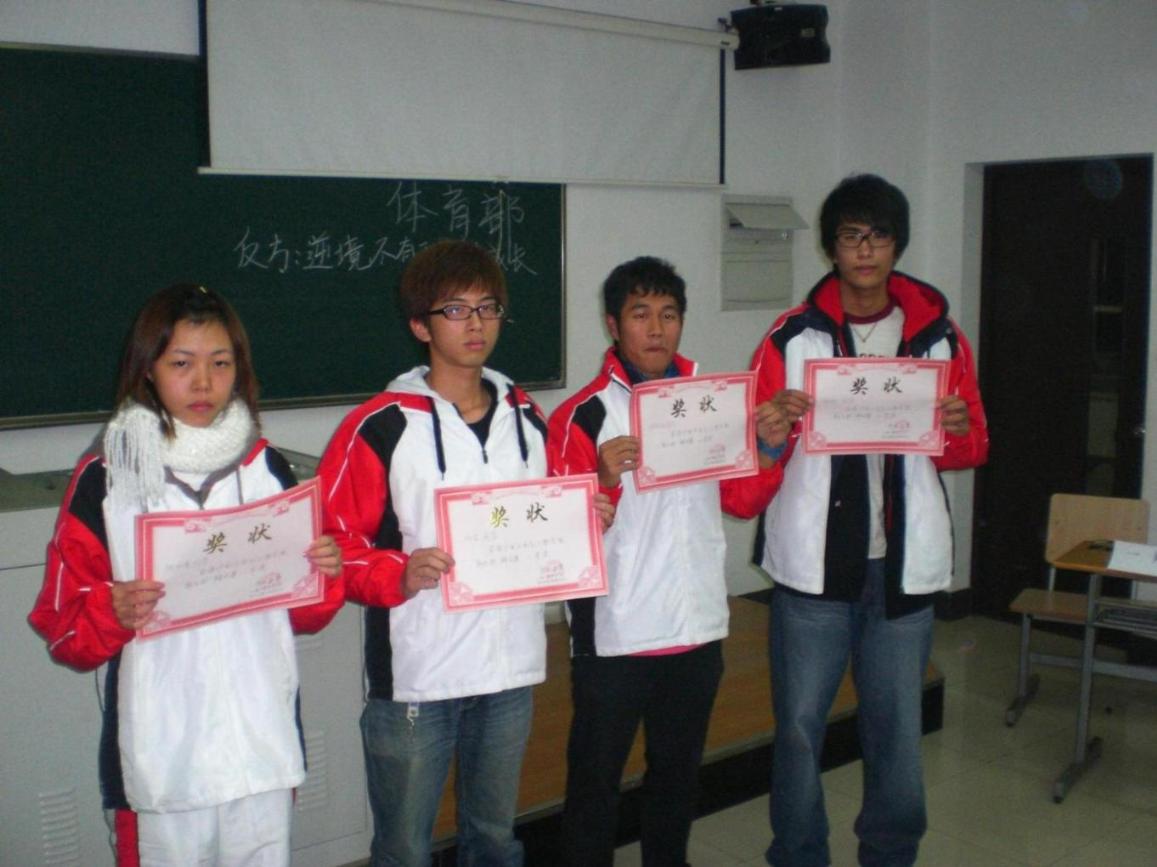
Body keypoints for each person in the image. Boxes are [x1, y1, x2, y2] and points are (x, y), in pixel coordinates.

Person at [28, 283, 345, 867]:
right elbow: (65, 629)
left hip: (260, 745)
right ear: (148, 369)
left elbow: (307, 615)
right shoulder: (107, 477)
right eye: (181, 364)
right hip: (160, 759)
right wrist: (111, 610)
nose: (203, 383)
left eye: (220, 363)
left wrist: (322, 572)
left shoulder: (267, 466)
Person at [317, 240, 608, 867]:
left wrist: (587, 517)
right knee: (404, 849)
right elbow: (336, 546)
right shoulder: (381, 426)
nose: (476, 323)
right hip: (418, 677)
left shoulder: (527, 417)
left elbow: (552, 515)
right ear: (420, 325)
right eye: (455, 309)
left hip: (509, 672)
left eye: (488, 307)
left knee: (495, 840)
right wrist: (399, 572)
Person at [734, 174, 989, 867]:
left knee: (897, 730)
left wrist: (958, 429)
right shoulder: (791, 337)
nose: (865, 250)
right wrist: (768, 432)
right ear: (831, 247)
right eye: (851, 236)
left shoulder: (938, 336)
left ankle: (890, 854)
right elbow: (752, 463)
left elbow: (971, 446)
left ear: (896, 244)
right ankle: (798, 853)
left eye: (878, 236)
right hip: (812, 567)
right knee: (797, 729)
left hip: (902, 566)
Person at [547, 256, 781, 867]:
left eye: (669, 314)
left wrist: (768, 447)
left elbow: (742, 499)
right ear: (612, 324)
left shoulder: (711, 402)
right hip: (616, 636)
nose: (656, 328)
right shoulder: (582, 416)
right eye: (640, 314)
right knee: (594, 785)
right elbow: (559, 542)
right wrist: (602, 479)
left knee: (677, 781)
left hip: (695, 627)